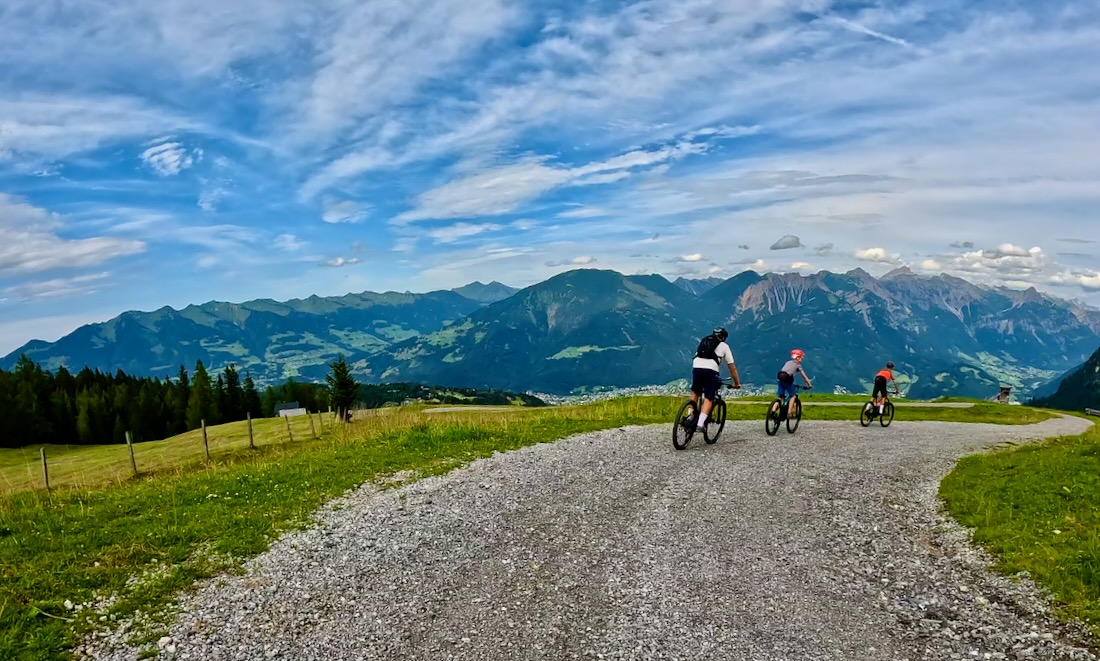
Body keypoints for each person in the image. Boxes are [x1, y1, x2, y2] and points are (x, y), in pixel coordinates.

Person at [689, 327, 742, 431]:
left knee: (695, 392)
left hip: (696, 367)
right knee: (709, 397)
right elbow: (732, 367)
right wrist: (737, 383)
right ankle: (700, 424)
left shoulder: (704, 341)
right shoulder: (724, 346)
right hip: (710, 371)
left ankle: (690, 417)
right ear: (724, 337)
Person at [775, 349, 812, 417]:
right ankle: (789, 412)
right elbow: (804, 377)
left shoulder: (788, 362)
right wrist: (809, 385)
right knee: (793, 396)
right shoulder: (798, 365)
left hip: (780, 380)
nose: (802, 359)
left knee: (779, 398)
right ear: (797, 357)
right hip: (787, 381)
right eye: (801, 357)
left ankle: (772, 412)